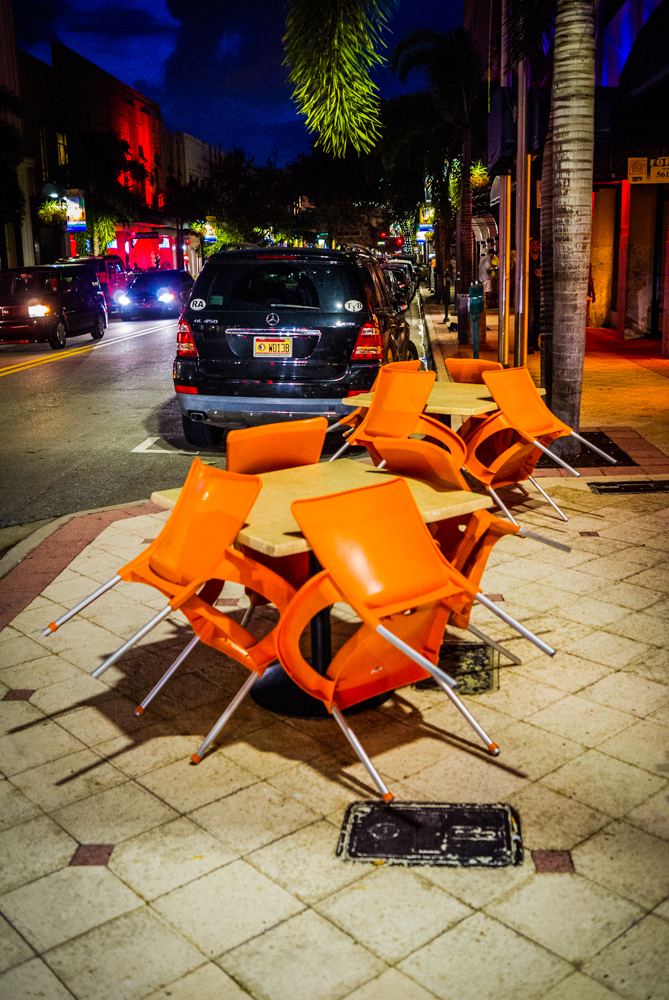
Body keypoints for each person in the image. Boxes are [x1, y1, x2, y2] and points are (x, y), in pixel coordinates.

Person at [528, 237, 541, 353]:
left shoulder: (543, 261)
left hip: (541, 294)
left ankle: (535, 342)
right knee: (530, 320)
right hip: (530, 294)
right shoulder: (527, 261)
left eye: (537, 244)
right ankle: (530, 344)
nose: (535, 246)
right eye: (533, 244)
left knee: (539, 321)